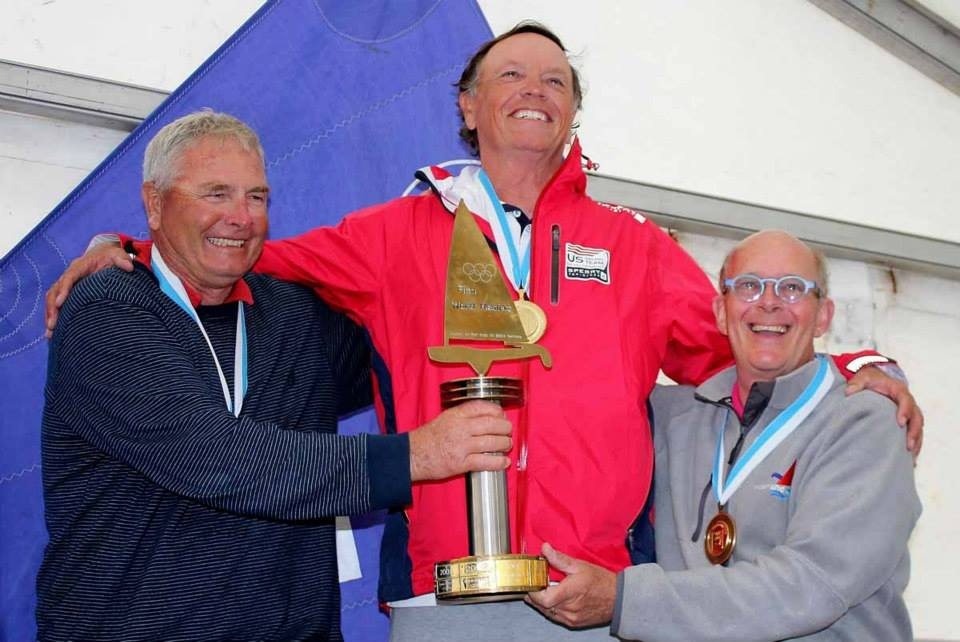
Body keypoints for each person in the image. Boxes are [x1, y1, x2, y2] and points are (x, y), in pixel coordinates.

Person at [44, 23, 922, 640]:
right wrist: (126, 247)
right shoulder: (394, 233)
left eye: (556, 81)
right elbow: (250, 254)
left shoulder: (636, 247)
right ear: (467, 106)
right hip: (442, 597)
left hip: (588, 594)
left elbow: (744, 348)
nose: (534, 90)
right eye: (511, 75)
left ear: (573, 114)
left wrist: (858, 361)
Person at [36, 111, 514, 642]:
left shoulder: (294, 313)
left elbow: (408, 352)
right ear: (155, 203)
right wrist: (415, 457)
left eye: (256, 197)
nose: (241, 217)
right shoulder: (109, 309)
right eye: (216, 194)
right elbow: (215, 459)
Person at [527, 231, 921, 641]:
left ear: (823, 315)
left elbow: (812, 584)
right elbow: (569, 400)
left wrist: (626, 599)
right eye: (749, 285)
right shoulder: (672, 418)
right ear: (720, 311)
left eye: (792, 288)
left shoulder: (865, 422)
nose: (769, 302)